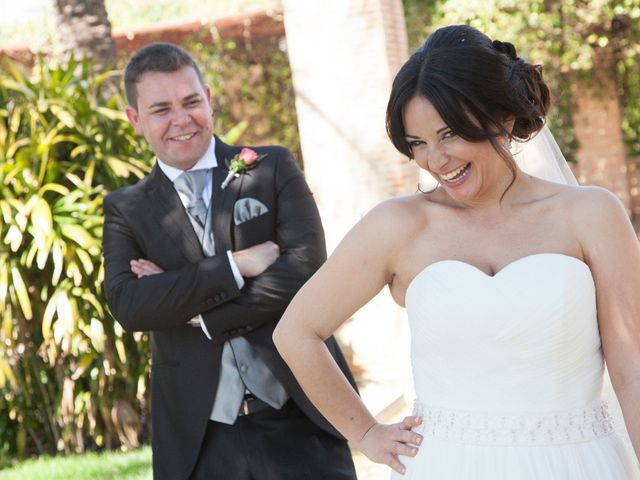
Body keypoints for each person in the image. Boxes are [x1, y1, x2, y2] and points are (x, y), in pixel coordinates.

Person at [273, 25, 640, 479]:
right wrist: (366, 434)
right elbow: (296, 332)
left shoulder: (592, 214)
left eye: (449, 133)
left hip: (578, 464)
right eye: (418, 144)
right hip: (444, 464)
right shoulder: (397, 226)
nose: (436, 160)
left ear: (503, 118)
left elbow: (632, 371)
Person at [102, 43, 357, 480]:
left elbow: (306, 272)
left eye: (191, 102)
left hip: (300, 418)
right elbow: (130, 305)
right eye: (161, 109)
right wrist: (237, 266)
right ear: (135, 119)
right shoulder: (127, 208)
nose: (181, 120)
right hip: (200, 442)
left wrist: (195, 312)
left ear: (209, 97)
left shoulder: (270, 167)